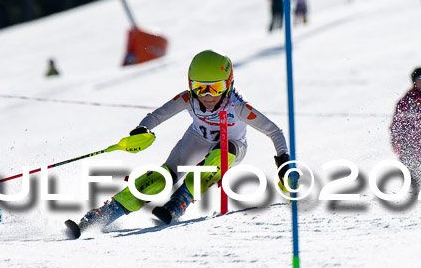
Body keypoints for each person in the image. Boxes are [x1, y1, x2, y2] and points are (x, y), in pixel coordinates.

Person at [67, 50, 291, 237]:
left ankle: (179, 202)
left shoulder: (239, 107)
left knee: (218, 157)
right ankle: (103, 214)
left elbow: (275, 131)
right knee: (159, 179)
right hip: (196, 139)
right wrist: (142, 129)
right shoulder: (188, 99)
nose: (207, 95)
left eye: (216, 87)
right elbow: (157, 116)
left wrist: (283, 163)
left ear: (229, 84)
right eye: (200, 87)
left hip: (231, 145)